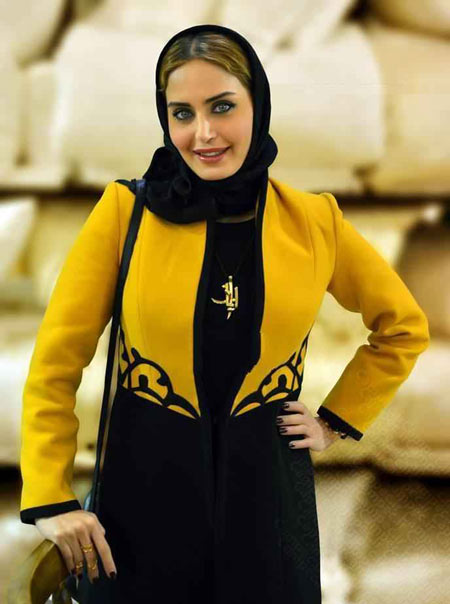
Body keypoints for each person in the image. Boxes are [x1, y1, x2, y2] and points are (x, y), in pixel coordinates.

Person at [19, 23, 430, 604]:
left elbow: (403, 327)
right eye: (182, 113)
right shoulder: (125, 213)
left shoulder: (315, 221)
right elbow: (56, 361)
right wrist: (51, 497)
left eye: (222, 107)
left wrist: (335, 420)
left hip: (268, 491)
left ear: (257, 105)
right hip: (145, 482)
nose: (203, 133)